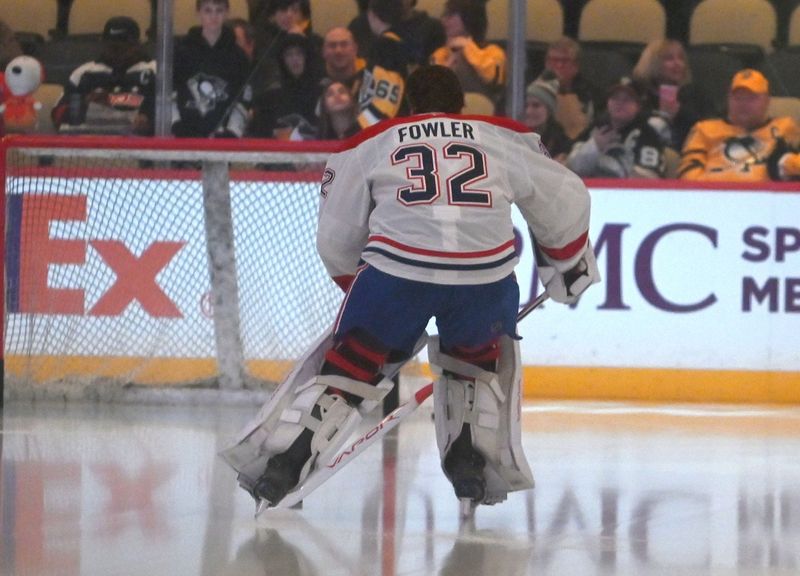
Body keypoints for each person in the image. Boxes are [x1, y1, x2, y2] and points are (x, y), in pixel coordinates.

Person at [225, 65, 599, 511]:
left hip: (396, 273)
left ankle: (285, 464)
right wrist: (566, 264)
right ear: (462, 105)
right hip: (484, 277)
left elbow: (336, 239)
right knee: (472, 371)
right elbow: (564, 198)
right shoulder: (503, 137)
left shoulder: (371, 141)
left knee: (349, 371)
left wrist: (363, 294)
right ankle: (468, 466)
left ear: (410, 108)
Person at [679, 69, 800, 182]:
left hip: (768, 199)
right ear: (728, 99)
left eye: (751, 98)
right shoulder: (704, 129)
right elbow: (687, 174)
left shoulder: (786, 127)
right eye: (738, 98)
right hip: (713, 197)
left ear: (767, 100)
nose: (743, 104)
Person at [50, 16, 156, 135]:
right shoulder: (84, 72)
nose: (117, 52)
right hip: (90, 143)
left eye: (124, 47)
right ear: (102, 44)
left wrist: (149, 119)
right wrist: (84, 103)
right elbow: (57, 115)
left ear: (137, 45)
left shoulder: (155, 71)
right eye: (112, 47)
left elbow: (170, 114)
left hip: (140, 145)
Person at [172, 0, 252, 138]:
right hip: (184, 137)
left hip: (221, 140)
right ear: (198, 13)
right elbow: (169, 91)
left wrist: (232, 132)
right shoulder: (182, 51)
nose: (213, 16)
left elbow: (244, 97)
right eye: (208, 10)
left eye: (219, 10)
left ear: (227, 13)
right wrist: (175, 125)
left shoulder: (238, 56)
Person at [567, 76, 666, 179]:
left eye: (627, 99)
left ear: (638, 106)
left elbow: (648, 180)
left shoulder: (648, 135)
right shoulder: (597, 128)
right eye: (615, 98)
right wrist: (595, 146)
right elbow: (572, 167)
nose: (620, 103)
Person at [631, 38, 717, 151]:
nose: (678, 64)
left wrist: (680, 113)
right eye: (669, 59)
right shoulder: (638, 92)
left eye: (681, 58)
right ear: (653, 63)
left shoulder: (695, 93)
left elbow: (712, 127)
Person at [431, 0, 505, 109]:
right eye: (445, 14)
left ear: (469, 17)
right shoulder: (440, 54)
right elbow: (430, 92)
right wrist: (450, 61)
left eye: (450, 15)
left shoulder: (493, 52)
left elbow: (493, 81)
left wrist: (467, 47)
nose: (444, 20)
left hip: (482, 114)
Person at [249, 32, 322, 139]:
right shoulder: (269, 98)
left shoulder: (322, 93)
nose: (295, 59)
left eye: (299, 53)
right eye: (289, 54)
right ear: (282, 60)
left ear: (307, 57)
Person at [355, 0, 410, 128]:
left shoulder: (386, 46)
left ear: (371, 14)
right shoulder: (398, 44)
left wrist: (358, 130)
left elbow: (386, 100)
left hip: (383, 134)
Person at [539, 36, 603, 140]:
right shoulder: (531, 91)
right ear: (546, 63)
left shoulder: (592, 94)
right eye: (554, 60)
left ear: (576, 65)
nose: (559, 65)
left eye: (565, 60)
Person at [523, 73, 572, 163]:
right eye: (526, 106)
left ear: (549, 111)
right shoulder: (513, 136)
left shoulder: (562, 144)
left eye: (536, 105)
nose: (528, 111)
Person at [320, 26, 365, 98]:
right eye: (332, 45)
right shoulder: (313, 81)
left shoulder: (369, 77)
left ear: (355, 49)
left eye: (344, 44)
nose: (338, 51)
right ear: (323, 51)